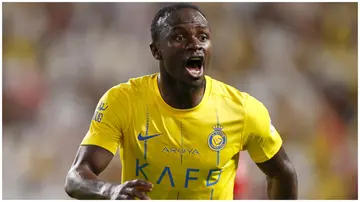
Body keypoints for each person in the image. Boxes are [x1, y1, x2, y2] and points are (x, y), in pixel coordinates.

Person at [64, 3, 298, 200]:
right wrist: (110, 190)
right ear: (156, 51)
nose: (194, 44)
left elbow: (282, 173)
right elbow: (76, 177)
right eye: (179, 37)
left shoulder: (243, 110)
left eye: (203, 37)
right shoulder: (123, 101)